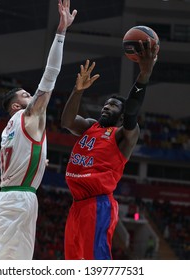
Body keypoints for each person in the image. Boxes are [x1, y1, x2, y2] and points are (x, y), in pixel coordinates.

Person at [0, 0, 77, 260]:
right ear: (17, 105)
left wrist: (40, 161)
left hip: (6, 200)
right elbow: (51, 74)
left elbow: (20, 158)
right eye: (27, 94)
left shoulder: (8, 131)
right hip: (17, 202)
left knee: (1, 261)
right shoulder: (28, 115)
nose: (33, 95)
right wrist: (60, 33)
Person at [61, 39, 158, 260]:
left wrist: (144, 75)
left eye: (113, 106)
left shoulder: (124, 135)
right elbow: (66, 121)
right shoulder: (89, 126)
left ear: (122, 116)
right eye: (106, 104)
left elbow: (133, 113)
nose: (106, 106)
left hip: (98, 204)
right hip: (77, 205)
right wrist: (77, 91)